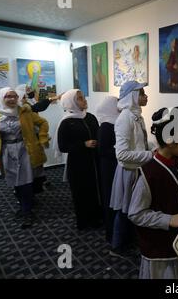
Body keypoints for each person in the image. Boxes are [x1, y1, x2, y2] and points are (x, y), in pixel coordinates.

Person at [128, 107, 178, 279]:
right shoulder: (149, 174)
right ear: (171, 142)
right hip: (161, 248)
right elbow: (136, 214)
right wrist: (169, 219)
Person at [0, 87, 49, 228]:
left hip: (24, 149)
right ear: (1, 98)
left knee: (26, 180)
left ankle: (27, 211)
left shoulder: (25, 111)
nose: (12, 99)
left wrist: (42, 138)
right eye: (8, 96)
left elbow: (42, 123)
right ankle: (24, 204)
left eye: (14, 96)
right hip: (6, 151)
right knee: (14, 180)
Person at [109, 80, 153, 257]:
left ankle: (129, 242)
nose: (145, 96)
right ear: (133, 97)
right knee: (124, 210)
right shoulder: (125, 119)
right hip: (129, 171)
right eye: (142, 93)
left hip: (138, 169)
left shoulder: (137, 116)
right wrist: (151, 156)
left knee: (134, 208)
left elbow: (139, 143)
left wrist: (151, 148)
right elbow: (122, 155)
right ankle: (117, 246)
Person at [56, 89, 102, 230]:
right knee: (81, 193)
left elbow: (98, 133)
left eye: (83, 97)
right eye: (80, 98)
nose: (84, 100)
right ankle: (84, 222)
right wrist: (83, 144)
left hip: (94, 160)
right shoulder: (66, 122)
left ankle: (97, 218)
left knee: (95, 190)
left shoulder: (90, 117)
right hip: (78, 164)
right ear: (71, 102)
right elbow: (63, 146)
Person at [96, 96, 120, 244]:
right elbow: (103, 150)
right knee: (111, 199)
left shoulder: (117, 121)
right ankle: (111, 235)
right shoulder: (106, 125)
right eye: (116, 103)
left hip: (116, 165)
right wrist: (122, 151)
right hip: (109, 168)